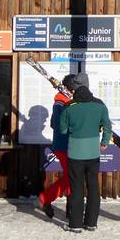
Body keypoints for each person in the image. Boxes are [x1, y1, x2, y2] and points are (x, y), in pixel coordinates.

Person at [59, 73, 111, 233]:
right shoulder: (100, 105)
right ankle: (91, 222)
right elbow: (107, 126)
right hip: (93, 152)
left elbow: (62, 130)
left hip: (75, 153)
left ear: (74, 90)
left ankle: (75, 224)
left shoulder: (69, 107)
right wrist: (104, 142)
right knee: (93, 186)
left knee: (76, 188)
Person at [35, 85, 73, 219]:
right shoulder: (64, 103)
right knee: (72, 176)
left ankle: (71, 209)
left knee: (70, 176)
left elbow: (52, 124)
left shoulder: (61, 102)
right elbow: (60, 124)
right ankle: (45, 198)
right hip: (65, 145)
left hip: (62, 144)